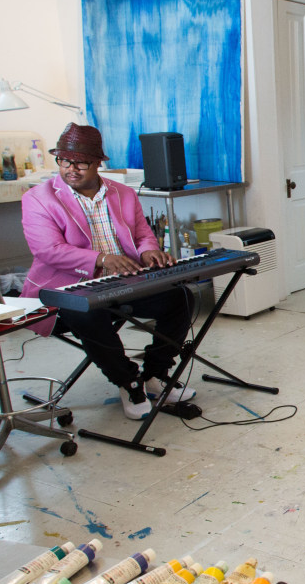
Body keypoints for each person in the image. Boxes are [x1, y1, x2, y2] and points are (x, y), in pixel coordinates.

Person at [22, 122, 196, 420]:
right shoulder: (38, 199)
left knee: (181, 298)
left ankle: (156, 373)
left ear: (98, 163)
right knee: (88, 313)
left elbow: (142, 234)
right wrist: (101, 259)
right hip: (67, 289)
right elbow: (47, 250)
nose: (70, 169)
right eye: (64, 161)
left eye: (80, 162)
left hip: (122, 281)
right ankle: (128, 381)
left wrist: (148, 251)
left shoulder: (123, 193)